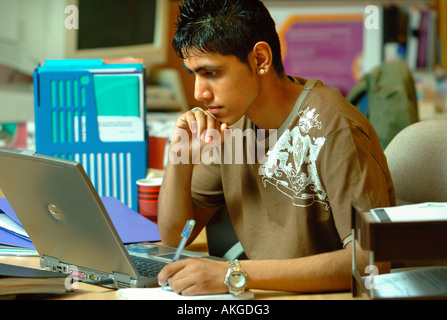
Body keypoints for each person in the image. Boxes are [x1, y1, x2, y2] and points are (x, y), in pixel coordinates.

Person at [157, 0, 395, 296]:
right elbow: (174, 236)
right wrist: (179, 156)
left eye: (212, 73)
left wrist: (234, 273)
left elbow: (370, 261)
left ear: (259, 59)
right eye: (193, 73)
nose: (199, 93)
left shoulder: (335, 129)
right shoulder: (231, 124)